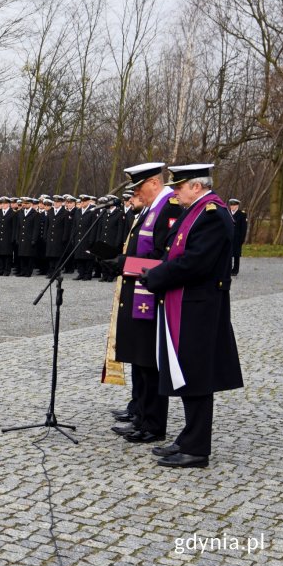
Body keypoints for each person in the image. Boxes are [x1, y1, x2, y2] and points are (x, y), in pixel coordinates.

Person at [143, 163, 243, 468]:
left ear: (196, 186)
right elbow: (175, 252)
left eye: (180, 186)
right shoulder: (196, 211)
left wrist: (157, 277)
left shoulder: (212, 214)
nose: (175, 192)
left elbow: (195, 262)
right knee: (188, 373)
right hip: (187, 304)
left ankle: (197, 449)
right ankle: (188, 438)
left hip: (199, 307)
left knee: (197, 376)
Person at [105, 162, 183, 446]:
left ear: (153, 182)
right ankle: (141, 415)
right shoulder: (151, 209)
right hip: (138, 292)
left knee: (149, 363)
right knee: (139, 360)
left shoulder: (169, 207)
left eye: (138, 187)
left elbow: (166, 258)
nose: (136, 193)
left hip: (151, 296)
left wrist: (126, 264)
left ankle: (153, 424)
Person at [71, 195, 98, 280]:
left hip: (87, 238)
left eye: (84, 201)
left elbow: (94, 227)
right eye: (81, 201)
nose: (82, 203)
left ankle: (88, 274)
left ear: (88, 202)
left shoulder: (92, 211)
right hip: (78, 237)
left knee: (87, 257)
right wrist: (73, 236)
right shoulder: (78, 211)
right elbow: (74, 225)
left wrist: (92, 239)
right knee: (79, 257)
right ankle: (81, 273)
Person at [44, 195, 69, 277]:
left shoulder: (65, 212)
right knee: (50, 256)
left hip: (59, 238)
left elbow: (66, 227)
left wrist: (64, 237)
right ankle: (51, 271)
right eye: (55, 202)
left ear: (61, 203)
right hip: (50, 237)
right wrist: (45, 235)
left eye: (58, 202)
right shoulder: (50, 211)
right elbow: (47, 225)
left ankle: (56, 272)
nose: (56, 203)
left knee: (57, 256)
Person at [0, 197, 15, 276]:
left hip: (8, 237)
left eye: (5, 203)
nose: (4, 205)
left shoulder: (12, 213)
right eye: (2, 203)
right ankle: (0, 270)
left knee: (7, 255)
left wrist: (13, 238)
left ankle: (7, 270)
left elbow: (14, 227)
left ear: (8, 204)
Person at [228, 198, 247, 276]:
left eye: (234, 205)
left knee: (236, 254)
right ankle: (228, 269)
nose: (232, 206)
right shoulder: (227, 213)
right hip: (228, 237)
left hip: (237, 238)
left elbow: (243, 228)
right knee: (228, 254)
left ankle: (235, 270)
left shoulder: (242, 214)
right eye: (231, 205)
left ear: (237, 206)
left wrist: (241, 239)